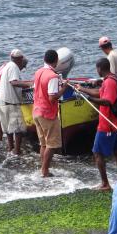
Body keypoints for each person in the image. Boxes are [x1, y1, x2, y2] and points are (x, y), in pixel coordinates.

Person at [75, 58, 117, 191]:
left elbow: (107, 101)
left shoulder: (109, 82)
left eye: (97, 68)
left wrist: (90, 99)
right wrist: (83, 89)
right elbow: (100, 92)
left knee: (97, 153)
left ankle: (105, 184)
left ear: (100, 68)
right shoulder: (112, 78)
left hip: (108, 124)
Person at [32, 49, 69, 177]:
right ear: (56, 60)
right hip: (47, 114)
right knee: (52, 145)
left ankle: (43, 168)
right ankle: (45, 171)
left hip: (36, 111)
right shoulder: (52, 76)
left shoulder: (39, 72)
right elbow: (52, 97)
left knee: (43, 143)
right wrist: (64, 88)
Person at [0, 49, 31, 155]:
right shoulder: (13, 66)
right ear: (20, 59)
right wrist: (30, 84)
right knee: (18, 129)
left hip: (1, 101)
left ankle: (10, 148)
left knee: (8, 129)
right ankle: (17, 151)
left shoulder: (7, 66)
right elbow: (14, 82)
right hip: (10, 102)